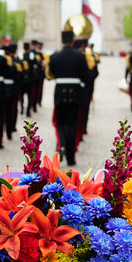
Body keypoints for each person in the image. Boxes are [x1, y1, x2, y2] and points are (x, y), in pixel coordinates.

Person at [46, 29, 89, 166]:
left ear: (61, 40)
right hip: (75, 92)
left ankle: (61, 145)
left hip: (60, 92)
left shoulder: (54, 56)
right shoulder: (80, 56)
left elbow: (50, 73)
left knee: (59, 123)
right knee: (72, 125)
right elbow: (86, 76)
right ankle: (71, 158)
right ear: (73, 41)